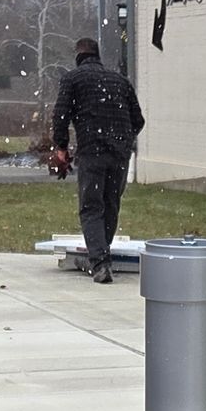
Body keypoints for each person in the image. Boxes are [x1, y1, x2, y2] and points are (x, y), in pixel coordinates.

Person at [49, 36, 144, 281]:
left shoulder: (72, 79)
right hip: (119, 154)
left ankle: (101, 263)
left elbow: (60, 115)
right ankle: (103, 254)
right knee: (110, 204)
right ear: (97, 55)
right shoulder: (120, 81)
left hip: (92, 151)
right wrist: (124, 140)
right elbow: (139, 120)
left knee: (91, 207)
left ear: (78, 57)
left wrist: (61, 147)